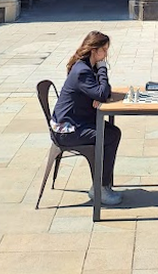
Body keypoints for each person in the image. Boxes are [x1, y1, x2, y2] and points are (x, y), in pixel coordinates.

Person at [51, 30, 123, 206]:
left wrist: (99, 94)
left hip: (78, 122)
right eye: (104, 50)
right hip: (67, 130)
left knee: (112, 131)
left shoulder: (86, 67)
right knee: (110, 135)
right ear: (93, 50)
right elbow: (102, 91)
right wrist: (103, 70)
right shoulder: (82, 70)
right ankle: (100, 188)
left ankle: (103, 184)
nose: (106, 55)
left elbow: (103, 92)